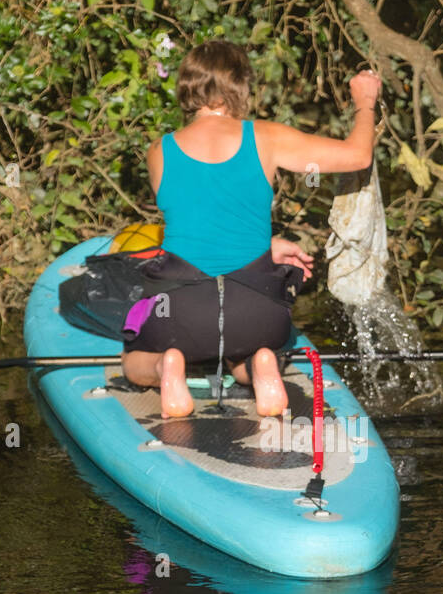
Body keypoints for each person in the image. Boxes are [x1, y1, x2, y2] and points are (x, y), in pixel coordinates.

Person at [121, 40, 382, 418]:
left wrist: (266, 243)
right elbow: (358, 155)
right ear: (240, 87)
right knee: (249, 345)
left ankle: (166, 367)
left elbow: (199, 225)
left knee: (132, 359)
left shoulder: (159, 151)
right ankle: (261, 364)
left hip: (179, 313)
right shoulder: (266, 137)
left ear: (186, 87)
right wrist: (365, 101)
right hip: (257, 312)